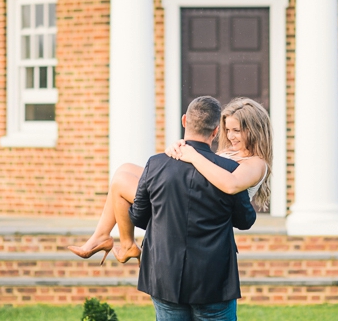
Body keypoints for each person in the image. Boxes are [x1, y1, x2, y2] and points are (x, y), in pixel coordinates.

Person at [129, 95, 256, 321]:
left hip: (164, 275)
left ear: (185, 122)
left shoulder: (155, 163)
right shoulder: (228, 169)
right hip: (214, 278)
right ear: (216, 132)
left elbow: (138, 216)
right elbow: (245, 220)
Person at [67, 97, 272, 264]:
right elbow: (202, 167)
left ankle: (126, 243)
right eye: (227, 130)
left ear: (254, 130)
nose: (231, 136)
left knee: (121, 181)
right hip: (188, 192)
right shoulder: (229, 152)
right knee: (124, 169)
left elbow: (230, 184)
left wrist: (192, 155)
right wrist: (178, 149)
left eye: (237, 131)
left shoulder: (256, 163)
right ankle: (103, 237)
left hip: (196, 204)